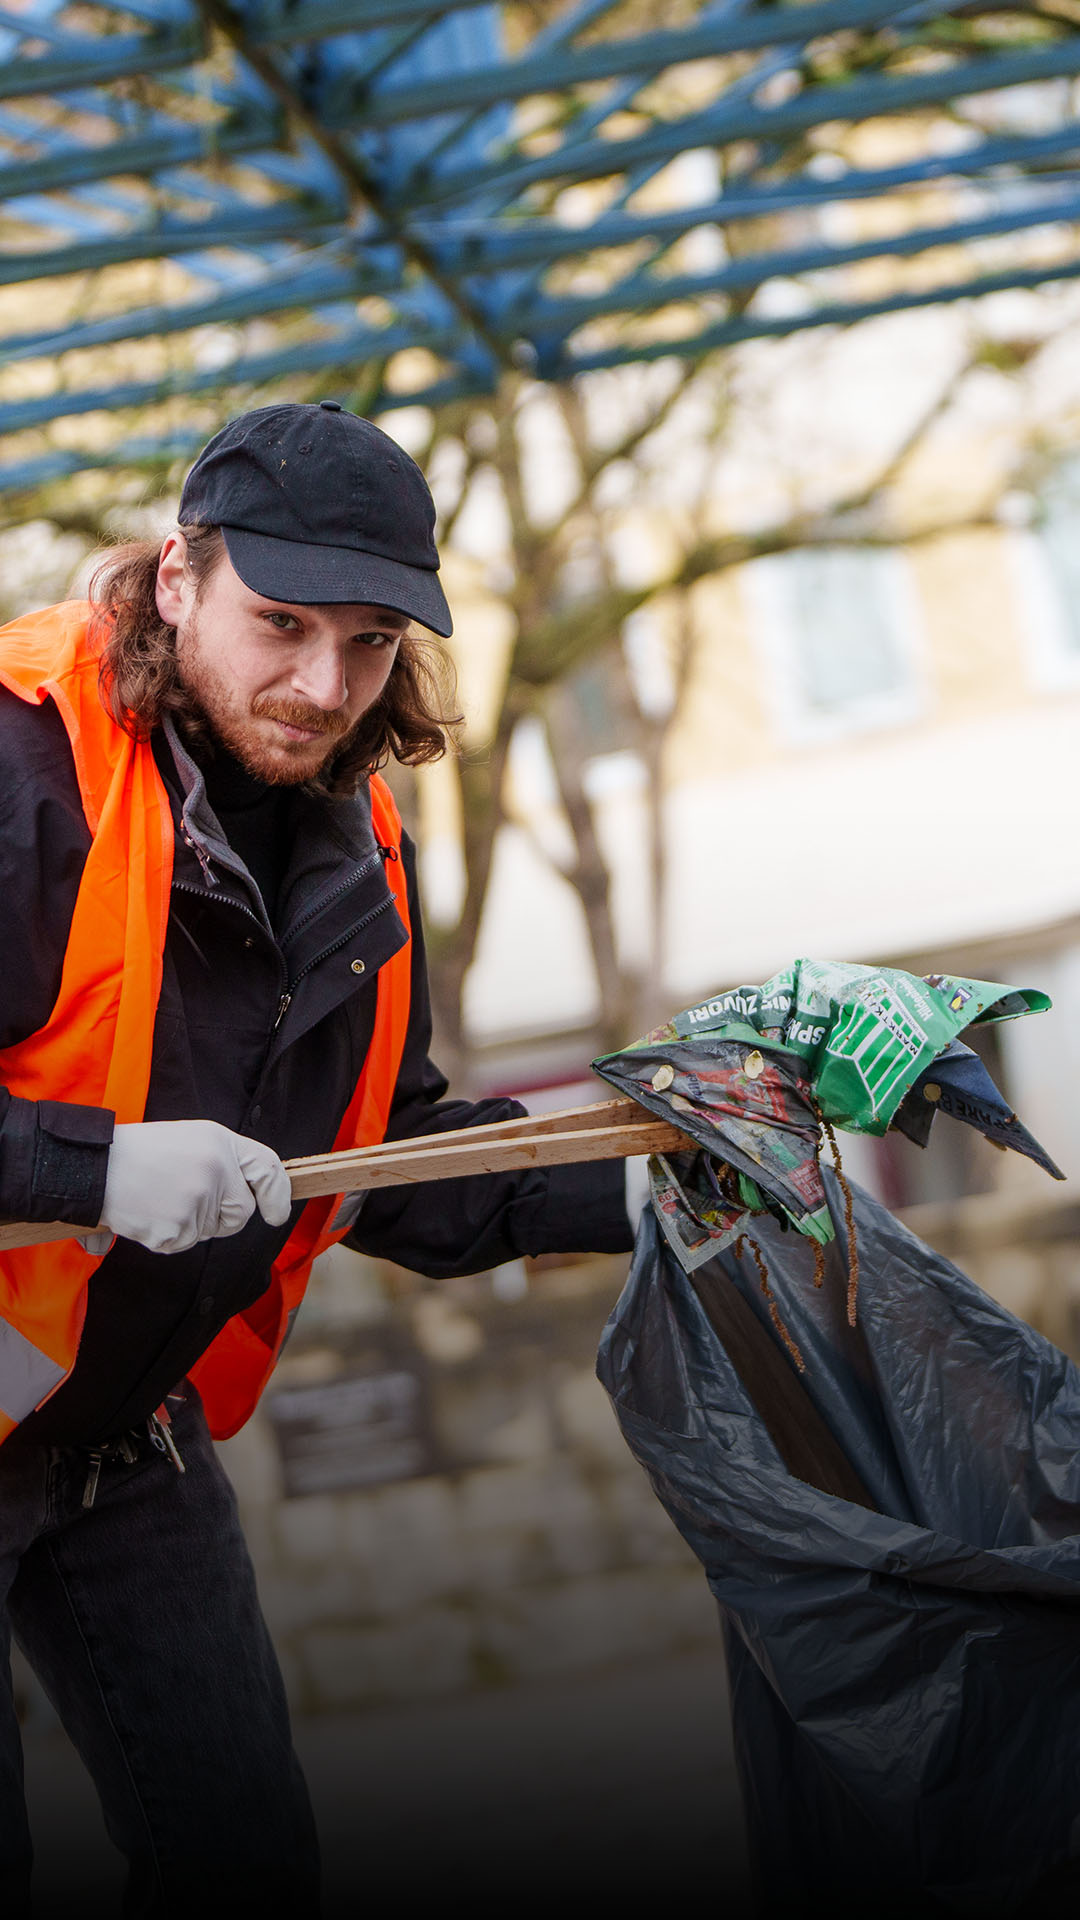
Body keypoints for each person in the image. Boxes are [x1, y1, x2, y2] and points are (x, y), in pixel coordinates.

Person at [0, 402, 634, 1915]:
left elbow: (386, 1154)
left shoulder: (354, 838)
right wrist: (90, 1172)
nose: (321, 686)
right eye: (280, 625)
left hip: (114, 1438)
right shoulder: (24, 774)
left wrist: (668, 1172)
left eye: (366, 644)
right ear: (175, 579)